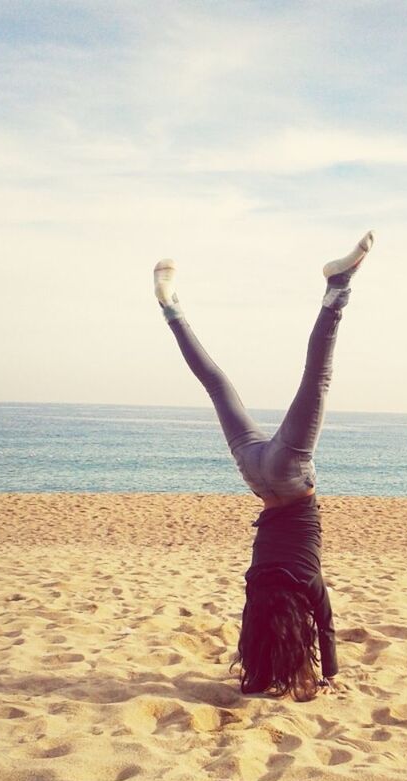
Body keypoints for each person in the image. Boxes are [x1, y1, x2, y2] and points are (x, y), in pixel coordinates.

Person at [153, 231, 374, 701]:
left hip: (292, 477)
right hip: (254, 471)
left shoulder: (309, 584)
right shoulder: (256, 587)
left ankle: (338, 288)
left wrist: (330, 673)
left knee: (318, 377)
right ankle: (171, 307)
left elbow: (327, 628)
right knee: (216, 385)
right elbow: (252, 631)